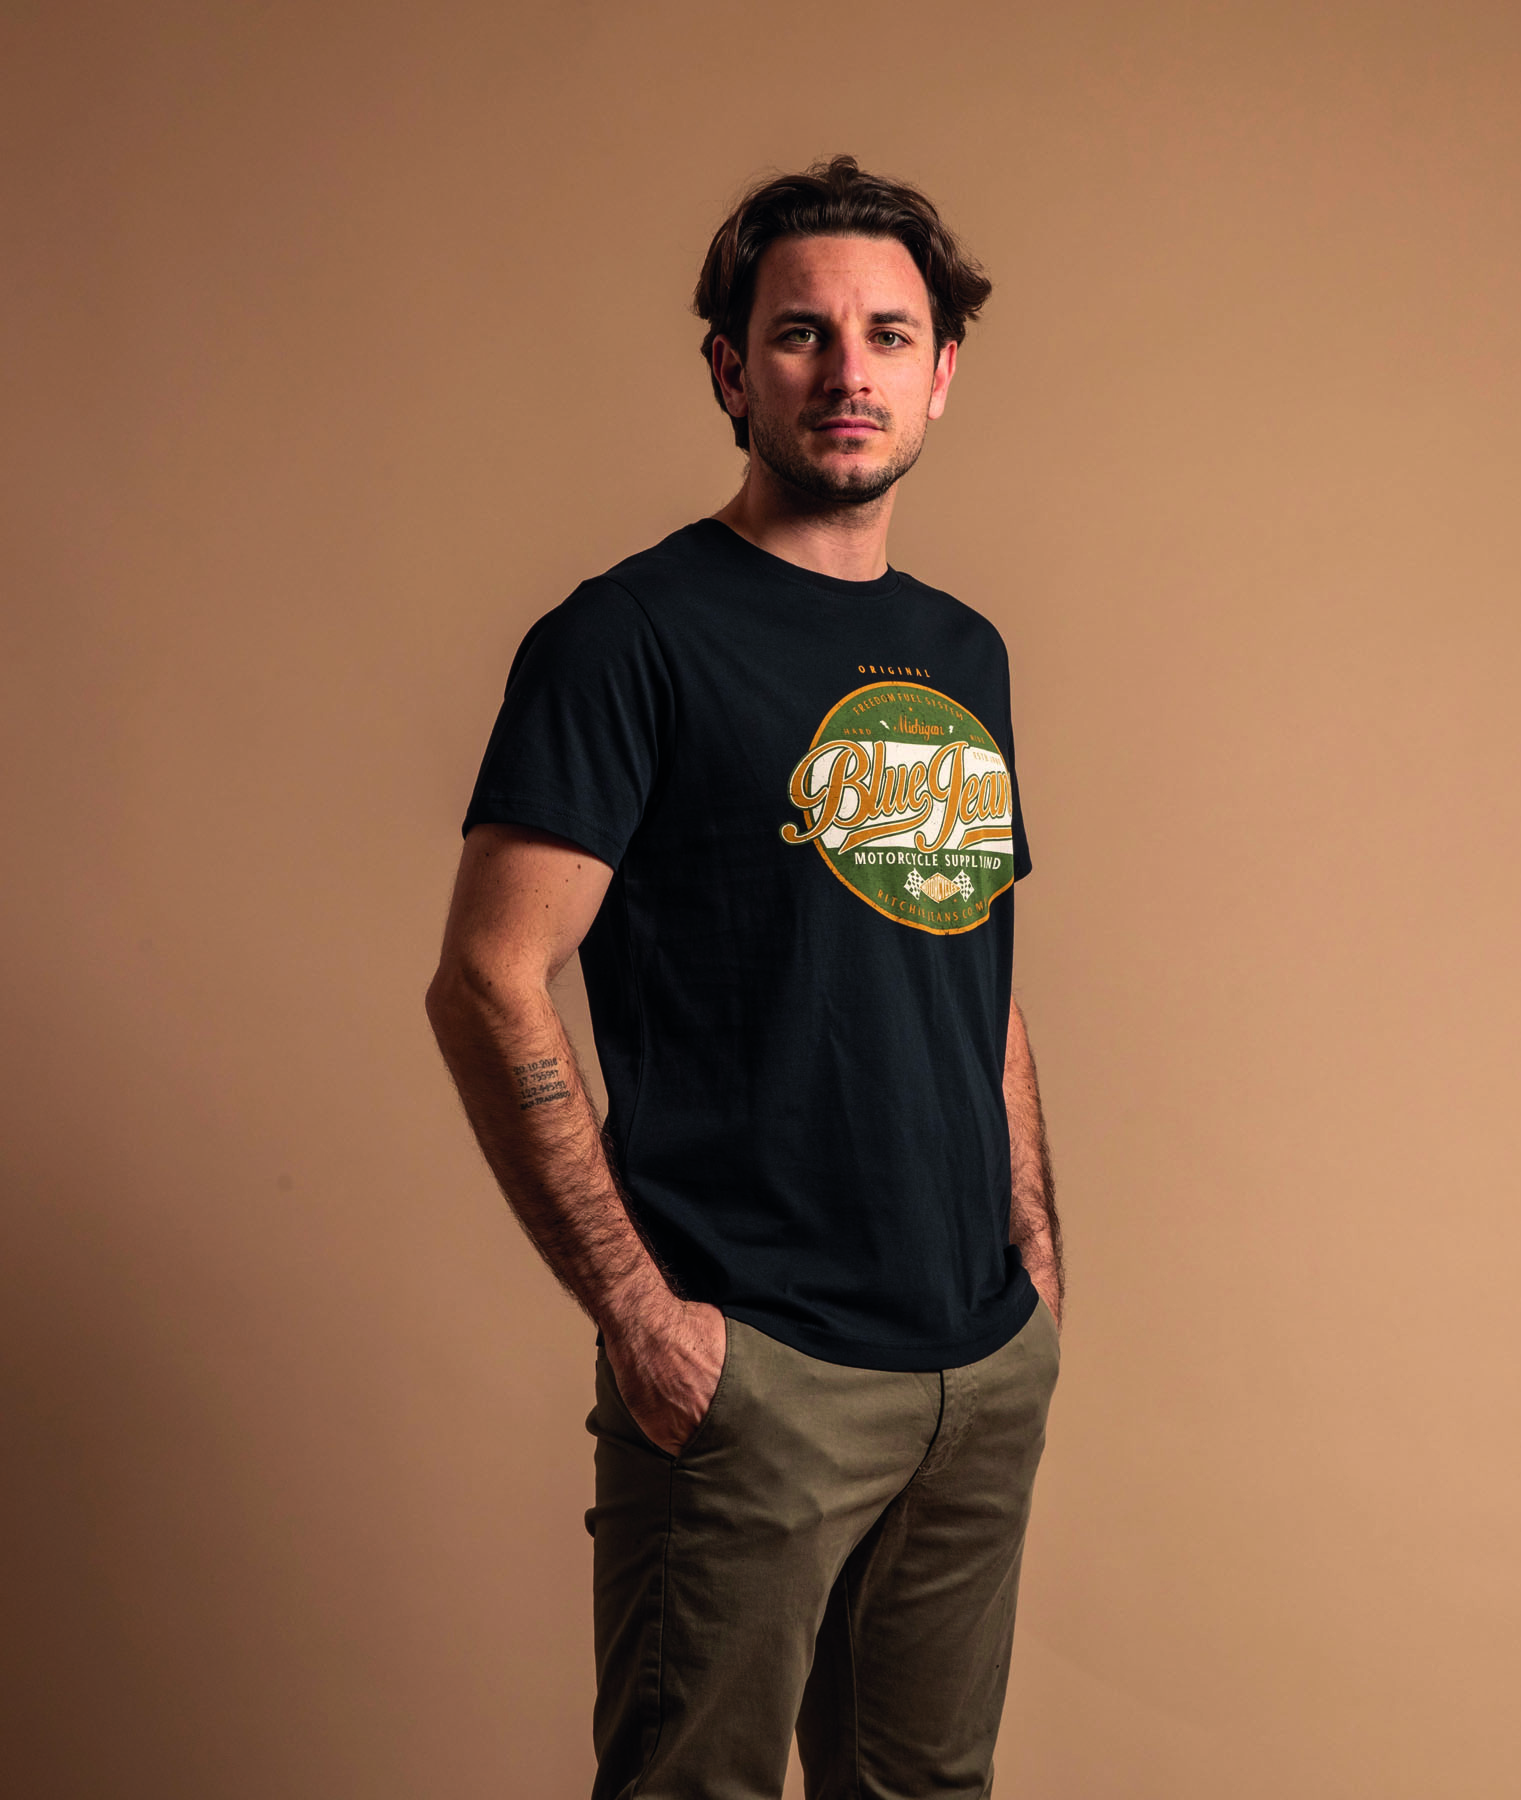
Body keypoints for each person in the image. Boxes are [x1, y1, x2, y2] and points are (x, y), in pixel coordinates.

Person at [426, 154, 1063, 1800]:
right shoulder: (625, 638)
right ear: (731, 369)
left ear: (942, 374)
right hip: (755, 1374)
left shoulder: (965, 651)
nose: (848, 371)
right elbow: (488, 980)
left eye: (888, 335)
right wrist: (643, 1320)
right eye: (800, 333)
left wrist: (1034, 1272)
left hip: (975, 1371)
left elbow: (972, 964)